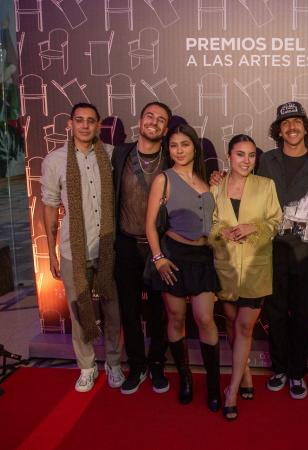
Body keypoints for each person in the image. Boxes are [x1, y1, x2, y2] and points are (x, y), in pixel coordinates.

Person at [211, 101, 308, 399]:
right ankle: (279, 368)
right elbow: (240, 180)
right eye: (285, 123)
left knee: (303, 314)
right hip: (268, 250)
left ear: (306, 128)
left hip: (304, 251)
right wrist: (218, 178)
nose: (292, 127)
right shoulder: (265, 160)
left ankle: (297, 373)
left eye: (297, 122)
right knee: (275, 313)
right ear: (278, 130)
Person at [41, 102, 124, 392]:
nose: (85, 125)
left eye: (91, 120)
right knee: (79, 313)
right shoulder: (54, 161)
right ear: (70, 124)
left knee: (113, 311)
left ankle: (114, 363)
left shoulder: (112, 155)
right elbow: (50, 207)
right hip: (73, 250)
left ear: (98, 125)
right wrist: (51, 252)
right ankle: (87, 367)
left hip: (108, 249)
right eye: (79, 120)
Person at [145, 124, 221, 412]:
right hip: (173, 256)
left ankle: (213, 385)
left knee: (205, 318)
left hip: (203, 256)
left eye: (185, 144)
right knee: (176, 318)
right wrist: (158, 259)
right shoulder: (163, 179)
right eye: (174, 145)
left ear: (194, 148)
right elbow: (149, 224)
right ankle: (185, 378)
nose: (179, 150)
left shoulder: (207, 180)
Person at [209, 134, 282, 420]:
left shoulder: (265, 185)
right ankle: (247, 374)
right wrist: (221, 232)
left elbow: (277, 221)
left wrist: (254, 227)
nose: (246, 160)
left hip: (255, 268)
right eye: (240, 154)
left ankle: (232, 391)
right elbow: (208, 223)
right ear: (229, 155)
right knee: (231, 323)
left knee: (244, 327)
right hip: (225, 268)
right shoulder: (215, 186)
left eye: (251, 155)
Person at [112, 102, 172, 395]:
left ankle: (157, 363)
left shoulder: (172, 159)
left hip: (159, 246)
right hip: (126, 244)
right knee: (129, 309)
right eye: (150, 116)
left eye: (161, 120)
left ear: (166, 129)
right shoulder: (120, 153)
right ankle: (136, 366)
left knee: (160, 310)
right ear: (139, 120)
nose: (154, 122)